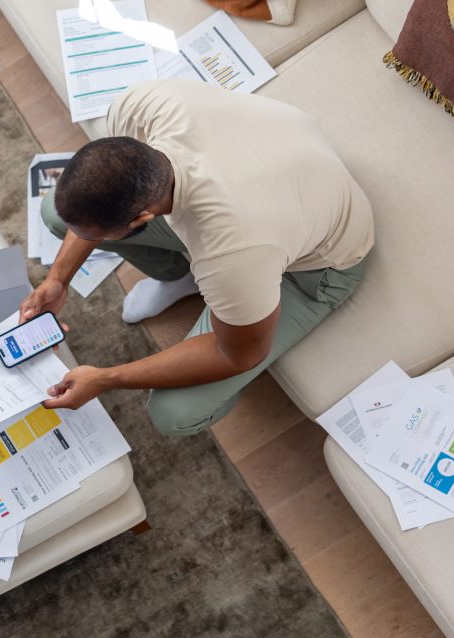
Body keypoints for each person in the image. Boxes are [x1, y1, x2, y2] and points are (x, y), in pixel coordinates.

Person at [22, 79, 374, 436]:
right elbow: (103, 191)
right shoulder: (139, 105)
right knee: (55, 214)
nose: (84, 238)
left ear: (142, 219)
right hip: (279, 179)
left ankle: (227, 298)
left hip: (317, 266)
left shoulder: (234, 253)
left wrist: (106, 378)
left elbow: (238, 354)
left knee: (174, 414)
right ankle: (182, 275)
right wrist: (57, 280)